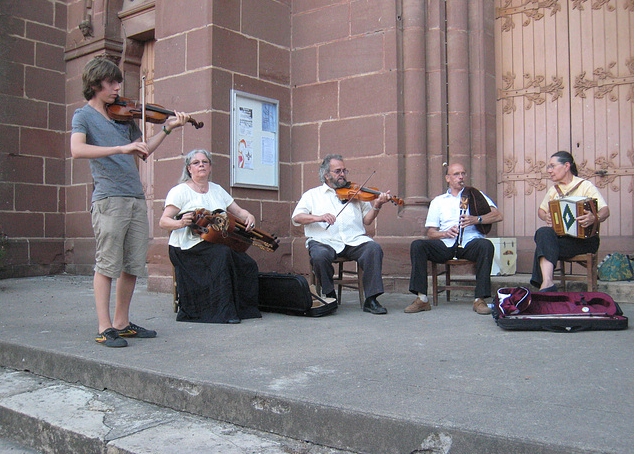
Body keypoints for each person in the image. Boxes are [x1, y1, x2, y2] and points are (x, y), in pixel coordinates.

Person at [71, 56, 189, 348]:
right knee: (107, 264)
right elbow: (77, 149)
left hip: (135, 197)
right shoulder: (83, 116)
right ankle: (104, 326)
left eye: (117, 82)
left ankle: (122, 323)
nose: (117, 88)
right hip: (109, 198)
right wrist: (121, 147)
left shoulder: (123, 117)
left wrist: (167, 128)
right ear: (96, 84)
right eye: (111, 82)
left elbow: (143, 150)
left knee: (132, 265)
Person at [159, 149, 262, 324]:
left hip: (215, 241)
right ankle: (221, 312)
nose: (201, 165)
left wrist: (249, 216)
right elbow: (163, 221)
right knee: (222, 255)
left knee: (248, 263)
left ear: (210, 167)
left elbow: (237, 211)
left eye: (204, 162)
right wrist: (181, 223)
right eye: (196, 163)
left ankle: (243, 310)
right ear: (189, 168)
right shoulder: (180, 191)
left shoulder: (217, 190)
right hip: (187, 246)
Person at [291, 154, 393, 315]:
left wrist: (377, 205)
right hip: (323, 240)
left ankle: (371, 299)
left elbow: (367, 221)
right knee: (319, 255)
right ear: (326, 175)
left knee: (373, 248)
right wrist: (319, 217)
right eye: (337, 171)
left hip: (353, 240)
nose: (342, 174)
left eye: (344, 170)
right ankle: (329, 295)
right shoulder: (312, 195)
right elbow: (297, 217)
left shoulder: (355, 193)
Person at [406, 163, 503, 315]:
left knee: (486, 245)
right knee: (418, 245)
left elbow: (498, 215)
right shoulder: (439, 201)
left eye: (463, 173)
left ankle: (480, 299)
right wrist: (445, 233)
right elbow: (431, 232)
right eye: (456, 174)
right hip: (447, 244)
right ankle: (422, 299)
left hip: (470, 243)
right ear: (448, 178)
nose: (461, 177)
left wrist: (475, 219)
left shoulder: (475, 195)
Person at [531, 151, 609, 291]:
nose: (549, 171)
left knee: (542, 248)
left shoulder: (585, 186)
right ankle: (547, 282)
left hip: (584, 241)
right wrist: (545, 216)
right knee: (543, 233)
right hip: (562, 240)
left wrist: (594, 217)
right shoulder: (553, 190)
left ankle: (544, 286)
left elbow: (605, 211)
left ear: (566, 166)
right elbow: (541, 211)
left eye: (552, 166)